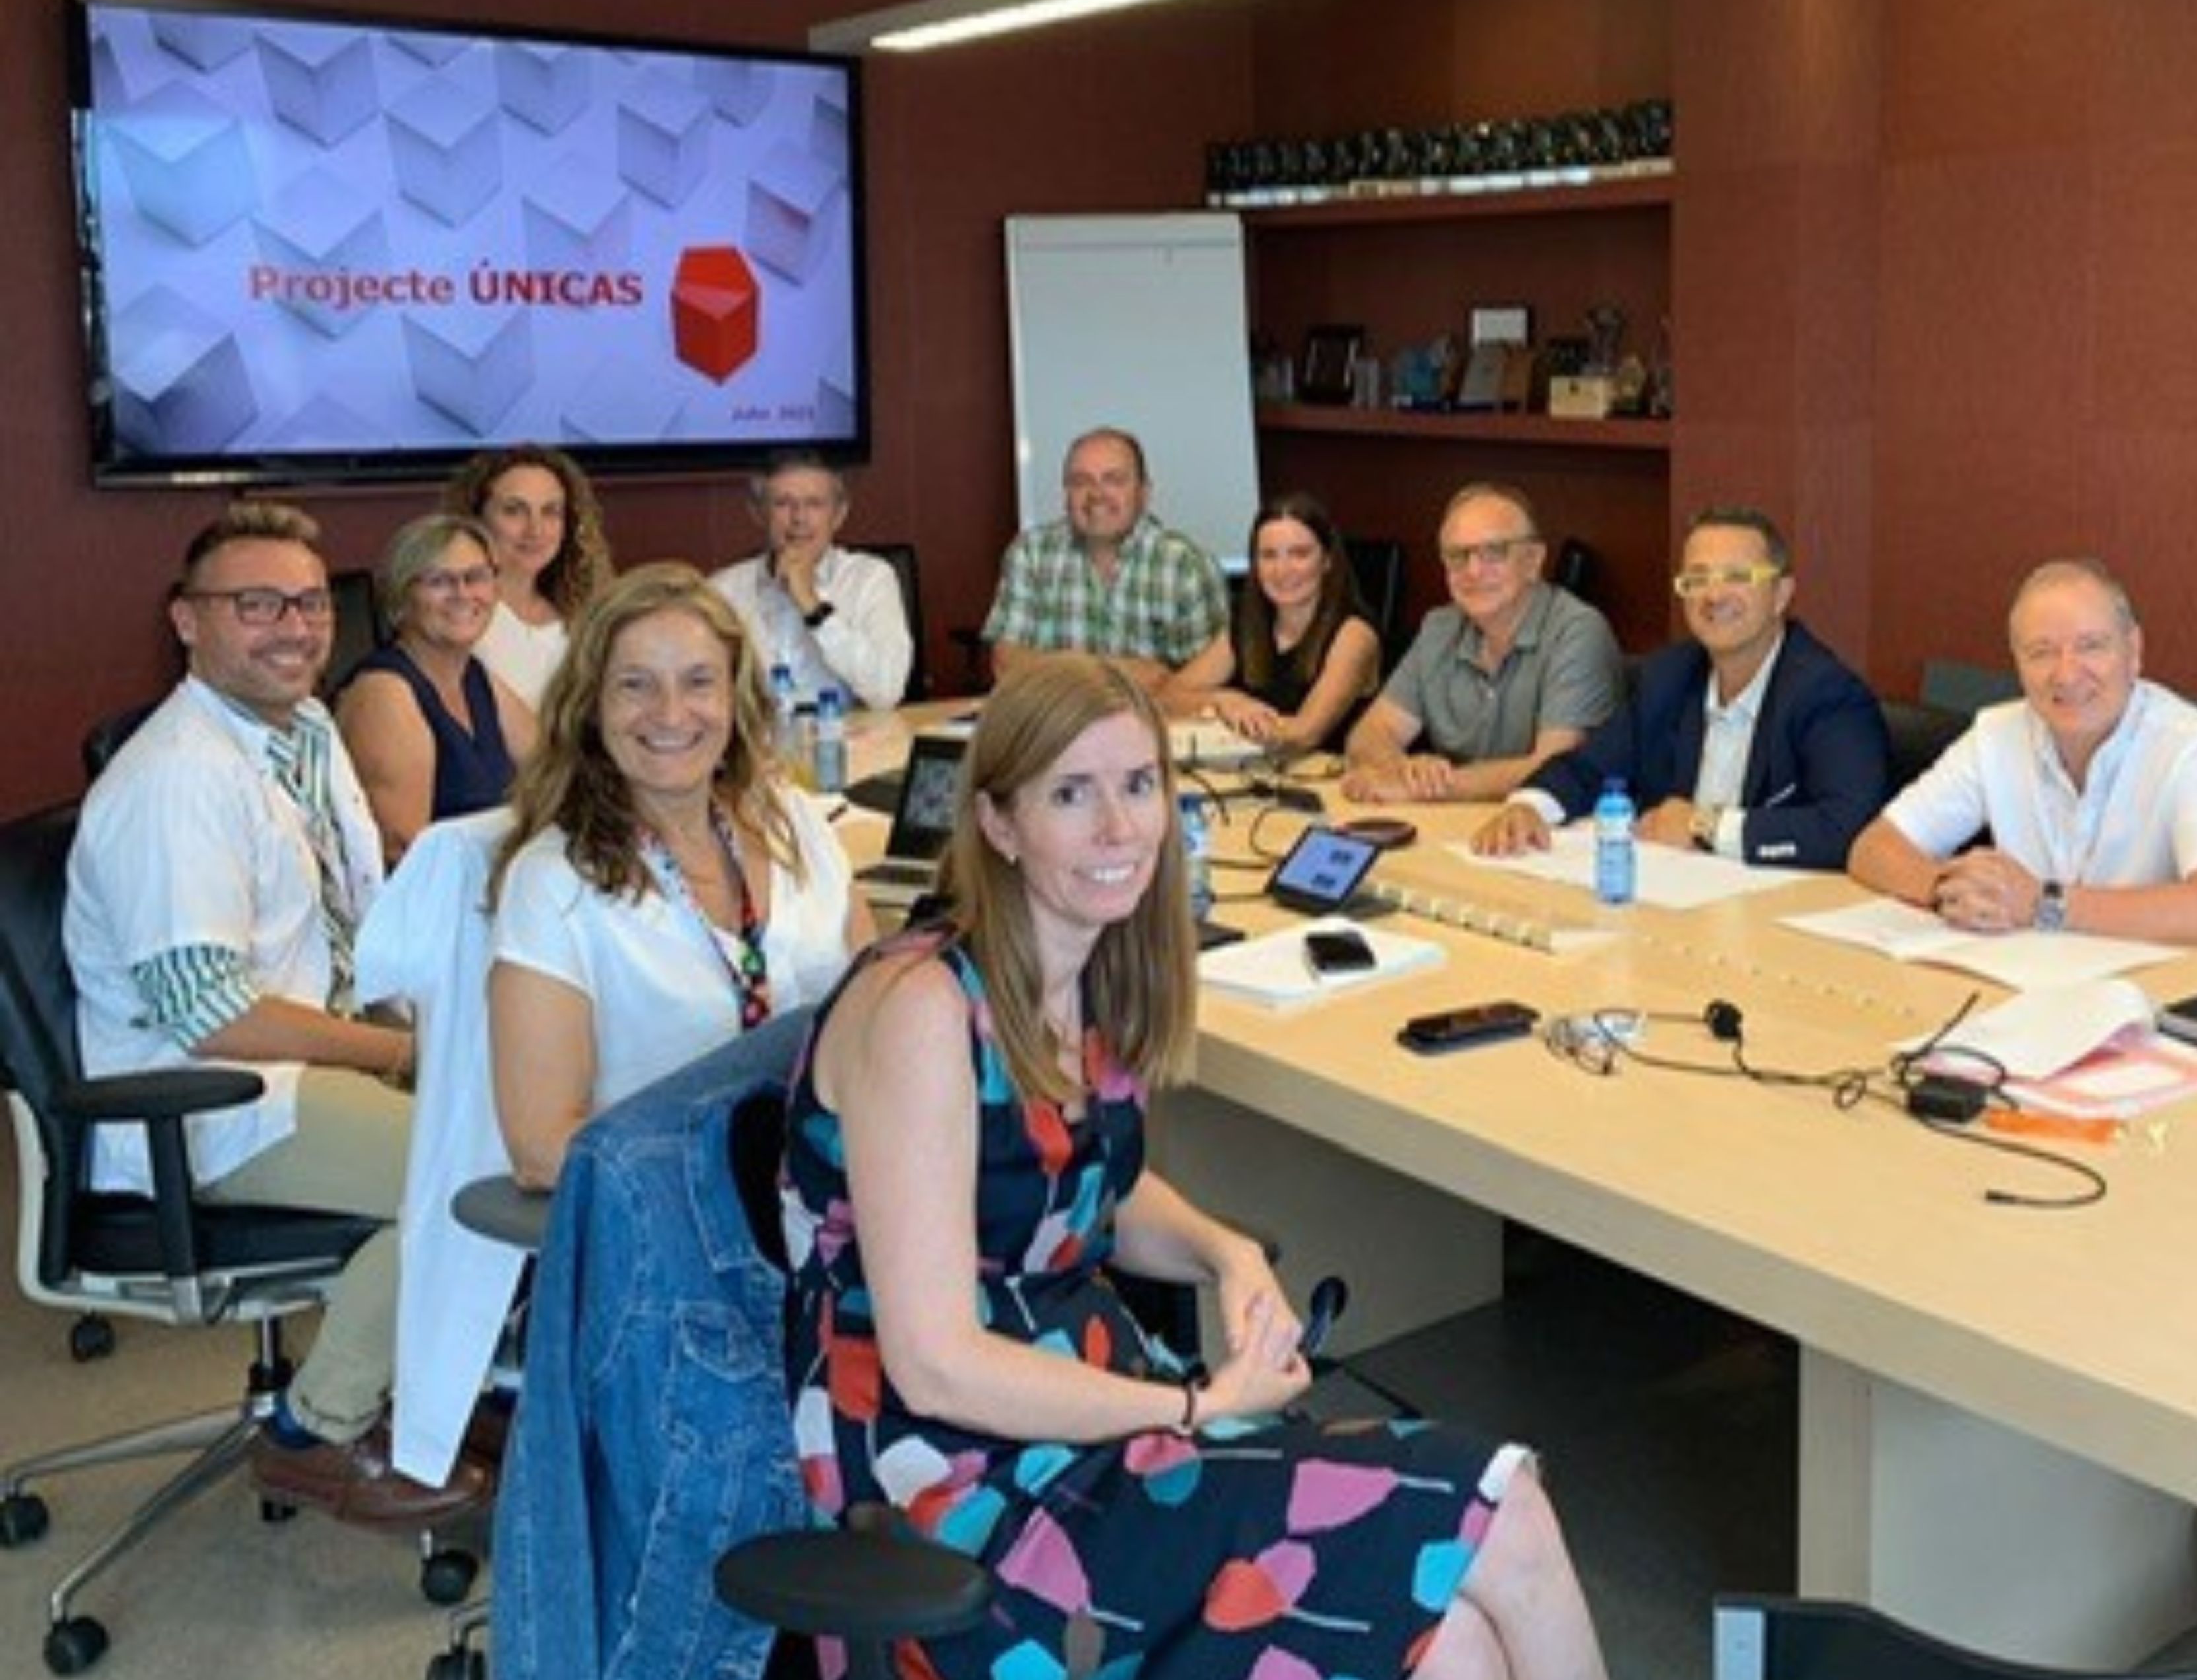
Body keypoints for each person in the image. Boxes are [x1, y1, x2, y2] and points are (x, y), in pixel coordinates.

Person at [781, 657, 1610, 1680]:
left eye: (1138, 786)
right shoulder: (924, 1009)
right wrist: (1196, 1409)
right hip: (959, 1488)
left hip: (1092, 1414)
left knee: (1460, 1647)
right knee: (1503, 1505)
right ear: (997, 823)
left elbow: (1099, 1191)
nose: (1119, 829)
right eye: (1070, 794)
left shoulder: (1086, 972)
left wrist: (1226, 1257)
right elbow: (936, 1362)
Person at [65, 501, 485, 1528]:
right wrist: (402, 1049)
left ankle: (439, 1389)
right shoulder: (175, 782)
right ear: (187, 622)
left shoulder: (301, 733)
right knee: (475, 1175)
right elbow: (212, 1017)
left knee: (517, 1103)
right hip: (216, 1101)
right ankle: (319, 1428)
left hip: (309, 1059)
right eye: (256, 605)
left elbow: (359, 916)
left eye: (307, 603)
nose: (293, 627)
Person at [488, 565, 873, 1189]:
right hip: (685, 1229)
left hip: (840, 1202)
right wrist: (747, 1167)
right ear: (591, 707)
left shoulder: (795, 822)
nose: (670, 713)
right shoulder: (552, 883)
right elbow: (540, 1149)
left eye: (699, 682)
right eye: (635, 685)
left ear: (735, 697)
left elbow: (877, 1018)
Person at [1846, 559, 2197, 947]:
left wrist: (2046, 904)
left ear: (2134, 651)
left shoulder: (2194, 747)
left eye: (2091, 646)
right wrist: (1944, 889)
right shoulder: (1997, 733)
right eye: (2041, 652)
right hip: (2045, 983)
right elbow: (1874, 847)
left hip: (2175, 997)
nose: (2066, 673)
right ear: (2018, 664)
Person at [1471, 506, 1886, 869]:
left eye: (1737, 577)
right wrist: (1528, 807)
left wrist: (1704, 825)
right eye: (1697, 579)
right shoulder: (1669, 675)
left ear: (1781, 594)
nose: (1714, 595)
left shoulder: (1826, 693)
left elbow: (1847, 826)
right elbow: (1587, 768)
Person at [1342, 482, 1621, 804]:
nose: (1473, 571)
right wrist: (1404, 771)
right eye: (1458, 556)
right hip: (1454, 825)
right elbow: (1370, 733)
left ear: (1533, 560)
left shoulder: (1577, 630)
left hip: (1542, 833)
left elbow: (1555, 767)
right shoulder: (1440, 628)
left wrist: (1433, 787)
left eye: (1494, 552)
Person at [335, 514, 537, 865]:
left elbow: (558, 772)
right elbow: (403, 851)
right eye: (439, 581)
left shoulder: (476, 676)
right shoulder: (385, 692)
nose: (462, 594)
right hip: (436, 906)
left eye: (476, 577)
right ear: (402, 595)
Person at [979, 426, 1228, 691]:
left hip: (1157, 727)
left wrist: (1054, 670)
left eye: (1114, 480)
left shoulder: (1185, 565)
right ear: (1066, 495)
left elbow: (1207, 677)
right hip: (1057, 728)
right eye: (1080, 482)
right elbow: (1007, 664)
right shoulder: (1032, 554)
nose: (1096, 494)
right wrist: (1121, 673)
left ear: (1144, 493)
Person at [1167, 492, 1383, 753]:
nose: (1282, 570)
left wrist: (1225, 721)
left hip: (1332, 784)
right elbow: (1167, 698)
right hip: (1260, 777)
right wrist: (1223, 702)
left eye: (1299, 554)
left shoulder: (1355, 634)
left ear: (1327, 561)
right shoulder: (1247, 625)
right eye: (1269, 556)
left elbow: (1307, 732)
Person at [709, 449, 912, 713]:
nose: (799, 519)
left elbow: (887, 692)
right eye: (783, 503)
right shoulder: (722, 591)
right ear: (758, 513)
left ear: (839, 515)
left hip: (849, 743)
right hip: (758, 745)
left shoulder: (870, 579)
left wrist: (813, 607)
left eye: (814, 504)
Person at [444, 443, 615, 708]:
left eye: (550, 512)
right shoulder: (452, 615)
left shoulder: (588, 612)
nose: (535, 530)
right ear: (475, 519)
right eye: (514, 510)